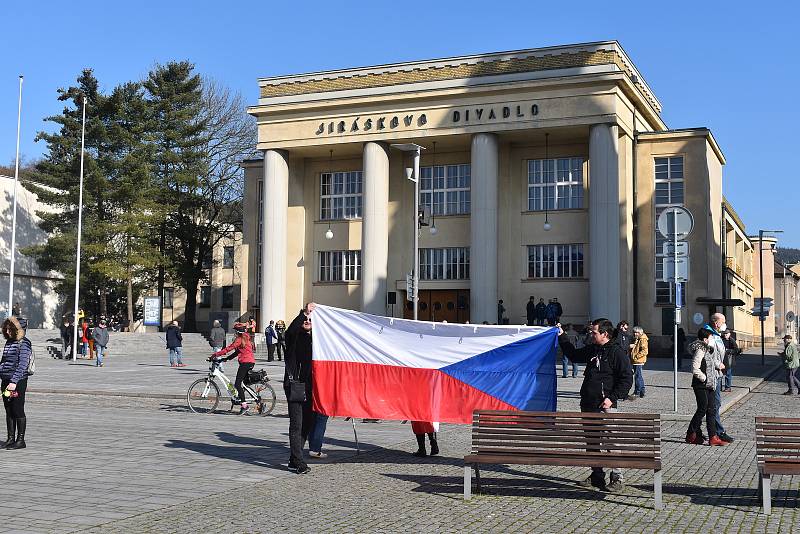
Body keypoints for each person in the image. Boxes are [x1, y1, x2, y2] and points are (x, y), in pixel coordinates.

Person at [558, 318, 633, 493]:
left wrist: (612, 398)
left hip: (605, 404)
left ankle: (617, 477)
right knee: (592, 442)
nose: (591, 335)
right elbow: (574, 355)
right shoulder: (593, 348)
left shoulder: (617, 352)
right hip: (588, 403)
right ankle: (597, 475)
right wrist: (562, 337)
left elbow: (627, 378)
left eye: (594, 332)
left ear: (605, 334)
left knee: (611, 442)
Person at [284, 304, 316, 474]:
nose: (307, 321)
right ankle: (298, 461)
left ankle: (293, 458)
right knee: (296, 424)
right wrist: (304, 312)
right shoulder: (294, 337)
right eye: (305, 319)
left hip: (310, 387)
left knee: (307, 424)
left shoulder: (316, 340)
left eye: (311, 320)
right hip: (295, 386)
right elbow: (290, 332)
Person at [686, 328, 727, 446]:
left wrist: (719, 365)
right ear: (705, 339)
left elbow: (711, 361)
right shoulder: (700, 349)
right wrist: (704, 378)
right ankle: (691, 433)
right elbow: (695, 368)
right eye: (710, 337)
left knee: (712, 410)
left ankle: (713, 437)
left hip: (710, 384)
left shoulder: (707, 349)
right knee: (702, 409)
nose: (712, 339)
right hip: (701, 384)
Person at [0, 317, 31, 449]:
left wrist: (14, 381)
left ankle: (20, 440)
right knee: (9, 409)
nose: (7, 330)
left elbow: (23, 364)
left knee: (17, 409)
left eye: (10, 328)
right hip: (6, 380)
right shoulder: (9, 342)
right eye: (6, 328)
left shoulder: (24, 343)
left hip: (17, 381)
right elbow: (4, 361)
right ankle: (10, 438)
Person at [702, 314, 734, 443]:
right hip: (712, 374)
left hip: (718, 374)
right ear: (716, 323)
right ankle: (718, 432)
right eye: (723, 321)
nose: (725, 324)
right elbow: (705, 354)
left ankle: (696, 431)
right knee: (713, 405)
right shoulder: (709, 335)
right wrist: (717, 364)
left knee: (713, 404)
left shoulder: (716, 334)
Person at [212, 322, 255, 414]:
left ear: (237, 332)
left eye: (235, 331)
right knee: (241, 384)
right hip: (250, 362)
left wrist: (215, 354)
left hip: (245, 363)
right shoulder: (246, 338)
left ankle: (244, 406)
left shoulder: (239, 339)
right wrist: (226, 359)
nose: (234, 333)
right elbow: (237, 352)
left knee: (237, 384)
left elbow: (228, 349)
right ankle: (240, 398)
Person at [630, 326, 648, 399]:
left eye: (636, 332)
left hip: (638, 361)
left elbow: (645, 351)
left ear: (640, 332)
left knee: (637, 376)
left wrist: (636, 356)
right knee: (639, 376)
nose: (634, 334)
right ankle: (642, 391)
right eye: (634, 332)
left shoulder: (642, 339)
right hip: (636, 360)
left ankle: (637, 392)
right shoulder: (638, 339)